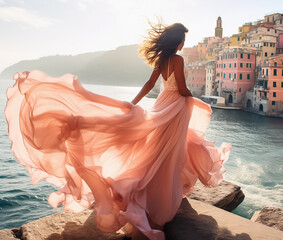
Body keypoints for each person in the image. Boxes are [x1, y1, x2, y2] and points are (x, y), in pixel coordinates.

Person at [4, 22, 231, 240]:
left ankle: (154, 189)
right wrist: (196, 100)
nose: (183, 43)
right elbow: (182, 89)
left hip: (163, 103)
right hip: (177, 107)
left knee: (157, 149)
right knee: (170, 152)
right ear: (178, 42)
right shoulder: (178, 60)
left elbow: (149, 86)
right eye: (183, 40)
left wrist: (132, 104)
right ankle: (161, 197)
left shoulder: (162, 60)